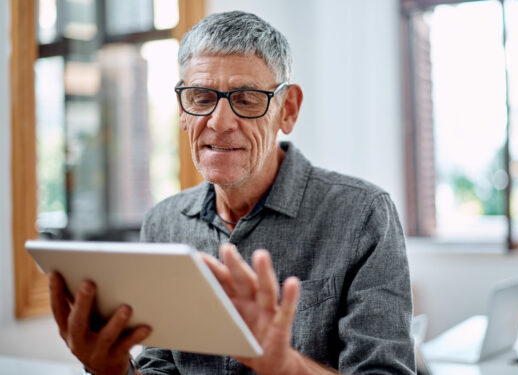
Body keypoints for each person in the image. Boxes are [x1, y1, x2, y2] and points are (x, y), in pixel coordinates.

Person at [48, 10, 416, 375]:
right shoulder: (163, 223)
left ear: (287, 110)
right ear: (182, 109)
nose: (219, 123)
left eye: (246, 99)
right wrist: (115, 372)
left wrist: (288, 367)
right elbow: (160, 368)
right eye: (201, 97)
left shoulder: (364, 214)